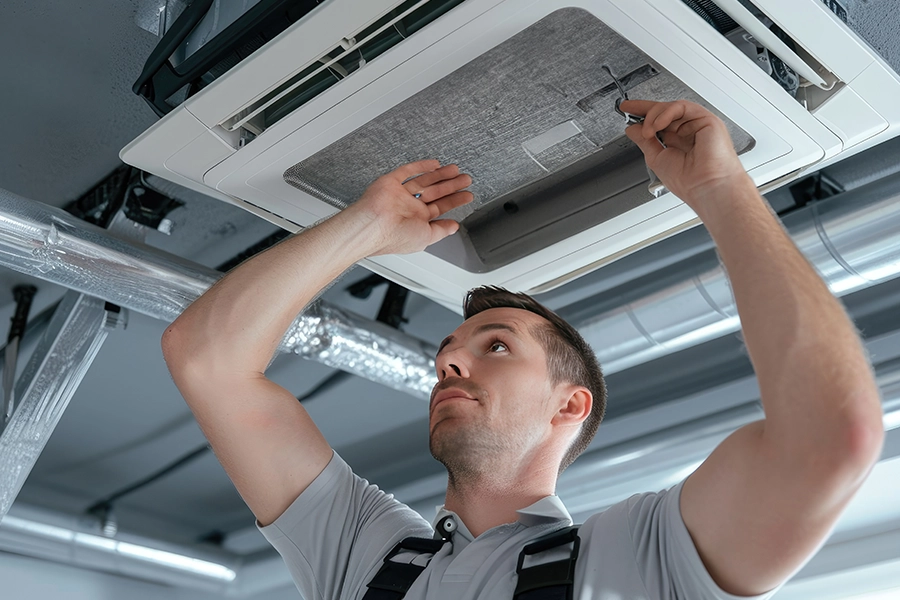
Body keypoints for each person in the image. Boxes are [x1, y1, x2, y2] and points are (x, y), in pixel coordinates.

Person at [161, 100, 884, 599]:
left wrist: (723, 188)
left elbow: (829, 440)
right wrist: (367, 225)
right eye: (450, 348)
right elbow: (206, 359)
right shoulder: (365, 554)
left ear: (569, 405)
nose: (449, 361)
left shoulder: (641, 560)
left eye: (496, 346)